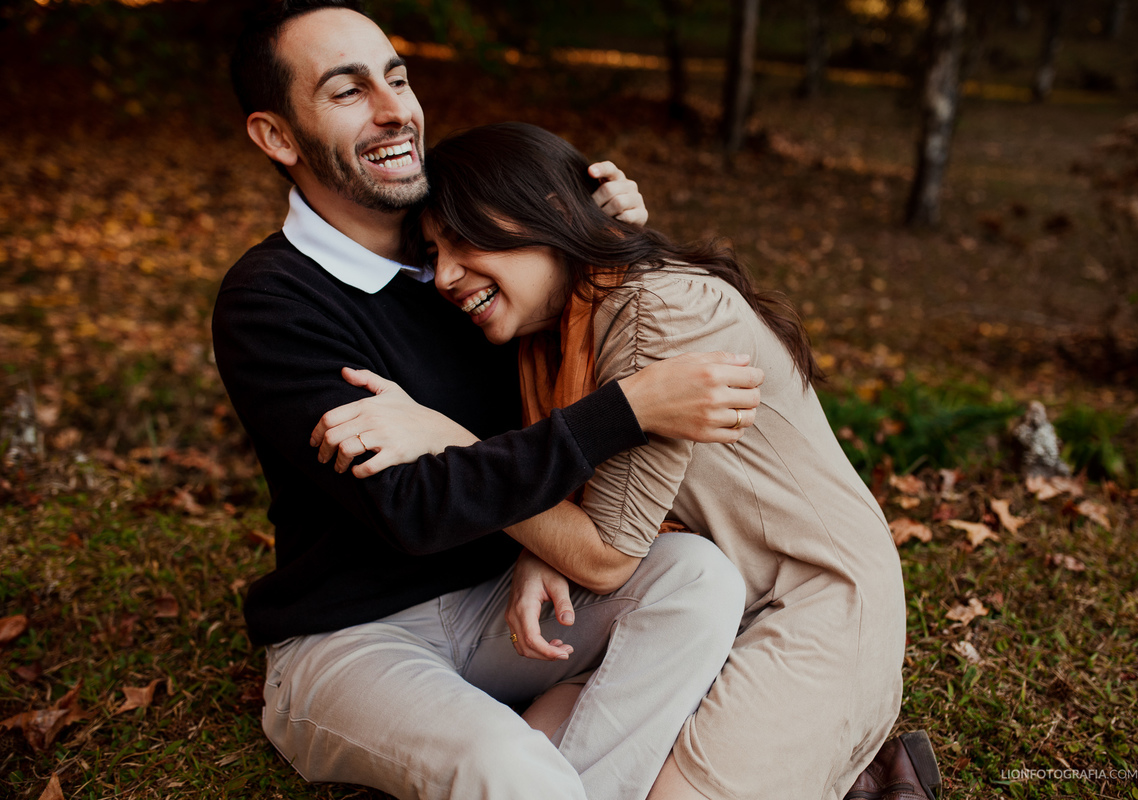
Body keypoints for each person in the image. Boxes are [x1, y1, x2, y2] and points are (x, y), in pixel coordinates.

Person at [213, 2, 769, 799]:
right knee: (502, 766)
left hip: (506, 604)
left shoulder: (469, 249)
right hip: (353, 637)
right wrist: (630, 409)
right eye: (348, 91)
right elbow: (413, 506)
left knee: (698, 580)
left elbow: (555, 369)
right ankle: (540, 753)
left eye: (397, 78)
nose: (394, 108)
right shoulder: (271, 303)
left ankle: (564, 765)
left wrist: (588, 242)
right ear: (276, 137)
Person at [313, 122, 943, 800]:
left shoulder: (652, 312)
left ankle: (866, 776)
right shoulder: (561, 327)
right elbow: (593, 477)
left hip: (806, 603)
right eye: (432, 252)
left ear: (550, 214)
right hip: (700, 611)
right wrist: (538, 553)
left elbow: (605, 555)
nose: (444, 275)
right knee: (552, 769)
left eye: (464, 239)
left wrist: (444, 438)